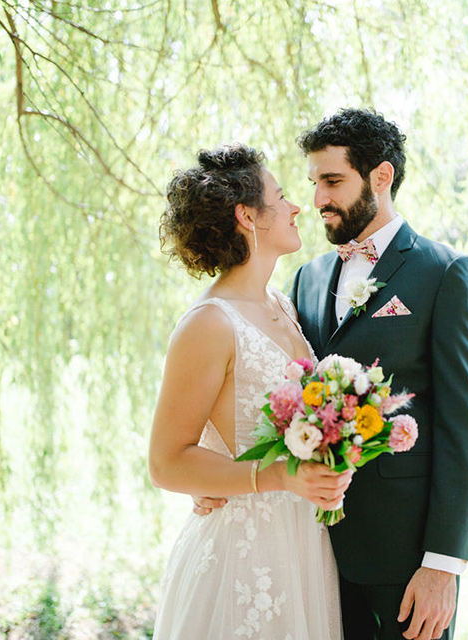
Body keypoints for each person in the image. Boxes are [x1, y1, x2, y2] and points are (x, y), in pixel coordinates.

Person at [291, 108, 468, 640]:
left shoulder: (443, 272)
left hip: (404, 559)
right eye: (314, 183)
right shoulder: (305, 278)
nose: (318, 200)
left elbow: (464, 427)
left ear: (381, 177)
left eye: (333, 181)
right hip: (310, 551)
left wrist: (442, 564)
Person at [148, 143, 353, 639]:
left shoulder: (281, 304)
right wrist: (281, 476)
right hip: (243, 555)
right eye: (281, 197)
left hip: (302, 542)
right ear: (247, 215)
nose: (296, 206)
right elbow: (166, 461)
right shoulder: (209, 324)